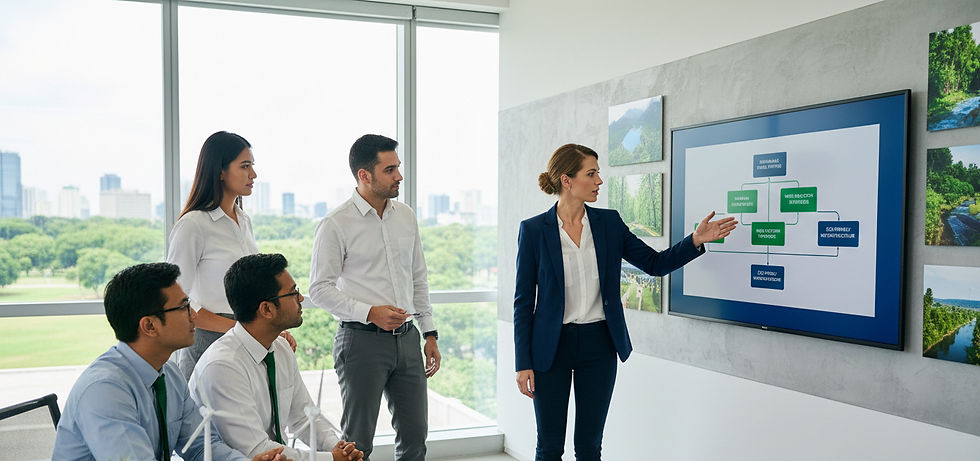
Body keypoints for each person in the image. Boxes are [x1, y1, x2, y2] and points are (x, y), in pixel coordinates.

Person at [513, 144, 737, 461]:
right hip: (551, 347)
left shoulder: (608, 223)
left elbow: (655, 264)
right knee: (549, 447)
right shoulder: (533, 230)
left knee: (589, 446)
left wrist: (695, 241)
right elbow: (522, 303)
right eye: (591, 174)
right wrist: (523, 362)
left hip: (599, 344)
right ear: (567, 180)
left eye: (598, 173)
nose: (599, 181)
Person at [52, 262, 287, 461]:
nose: (193, 315)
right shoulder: (105, 390)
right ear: (149, 326)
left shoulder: (169, 374)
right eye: (184, 307)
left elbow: (200, 448)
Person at [309, 134, 440, 461]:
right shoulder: (335, 224)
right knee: (357, 442)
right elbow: (319, 289)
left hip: (408, 341)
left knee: (415, 439)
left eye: (398, 168)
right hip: (360, 342)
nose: (399, 176)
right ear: (364, 175)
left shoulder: (406, 216)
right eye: (390, 169)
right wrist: (370, 312)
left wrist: (430, 333)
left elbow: (418, 278)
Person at [189, 253, 363, 461]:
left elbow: (303, 418)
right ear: (267, 309)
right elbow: (256, 450)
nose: (300, 298)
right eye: (293, 293)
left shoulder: (280, 347)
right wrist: (331, 459)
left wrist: (339, 447)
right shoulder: (223, 365)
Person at [167, 131, 295, 380]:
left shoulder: (243, 220)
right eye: (245, 166)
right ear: (220, 171)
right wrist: (241, 330)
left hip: (247, 335)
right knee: (204, 418)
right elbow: (177, 302)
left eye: (252, 166)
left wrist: (270, 331)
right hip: (209, 340)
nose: (253, 175)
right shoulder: (193, 225)